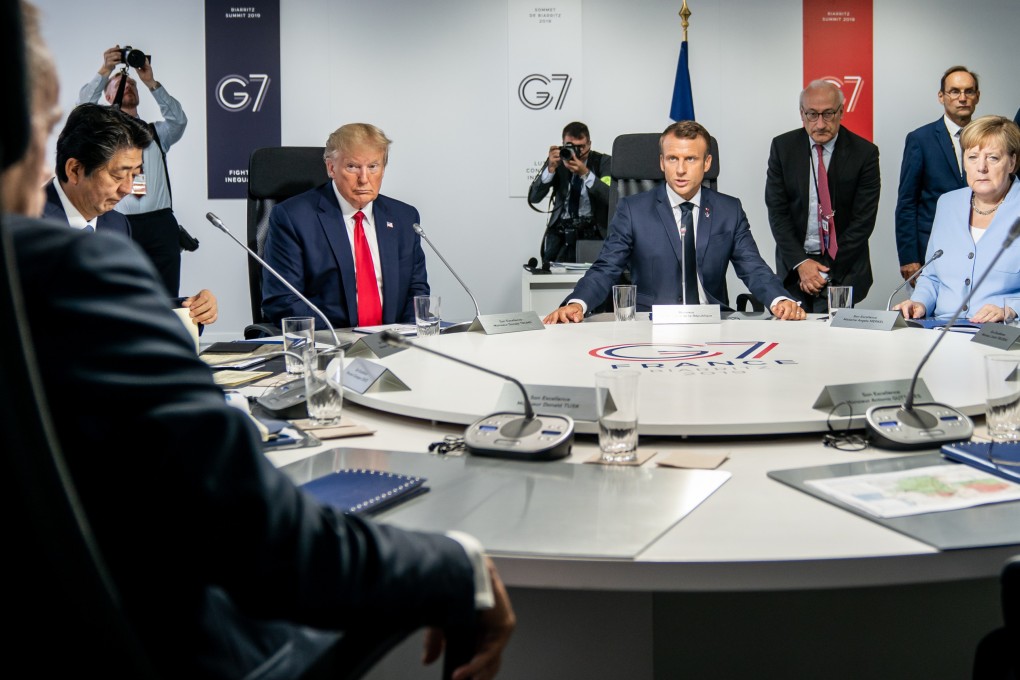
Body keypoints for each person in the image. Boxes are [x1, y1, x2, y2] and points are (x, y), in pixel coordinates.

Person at [2, 3, 514, 677]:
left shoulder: (400, 221)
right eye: (42, 130)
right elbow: (260, 538)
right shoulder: (65, 273)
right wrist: (459, 565)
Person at [544, 120, 805, 323]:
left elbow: (753, 267)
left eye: (690, 159)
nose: (680, 170)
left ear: (707, 163)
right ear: (662, 162)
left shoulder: (729, 210)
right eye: (672, 159)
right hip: (651, 324)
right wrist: (576, 303)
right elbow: (606, 268)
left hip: (713, 325)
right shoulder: (632, 210)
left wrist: (779, 299)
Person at [42, 103, 218, 326]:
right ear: (75, 170)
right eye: (118, 176)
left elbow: (128, 306)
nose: (127, 188)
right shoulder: (20, 226)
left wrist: (192, 310)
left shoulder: (117, 224)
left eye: (135, 175)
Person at [262, 122, 429, 329]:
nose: (364, 179)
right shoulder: (293, 218)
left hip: (393, 343)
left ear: (383, 169)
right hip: (330, 345)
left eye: (373, 167)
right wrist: (341, 339)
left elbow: (416, 290)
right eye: (353, 167)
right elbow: (283, 299)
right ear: (331, 168)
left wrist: (407, 337)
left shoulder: (404, 217)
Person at [78, 44, 189, 295]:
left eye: (131, 85)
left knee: (166, 294)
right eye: (120, 85)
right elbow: (82, 110)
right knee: (118, 293)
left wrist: (150, 82)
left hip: (160, 224)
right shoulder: (101, 134)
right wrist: (106, 70)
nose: (127, 86)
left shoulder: (157, 133)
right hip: (117, 222)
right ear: (108, 97)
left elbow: (179, 121)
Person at [765, 80, 881, 313]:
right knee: (794, 339)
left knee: (837, 341)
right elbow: (778, 213)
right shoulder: (783, 147)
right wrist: (802, 264)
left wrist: (824, 271)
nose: (820, 124)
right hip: (795, 269)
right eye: (812, 114)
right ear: (801, 113)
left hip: (843, 269)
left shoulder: (864, 153)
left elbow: (863, 221)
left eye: (828, 114)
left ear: (841, 112)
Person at [893, 116, 1020, 322]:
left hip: (1001, 335)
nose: (981, 167)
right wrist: (920, 302)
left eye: (993, 158)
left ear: (1012, 162)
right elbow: (932, 276)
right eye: (972, 157)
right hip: (941, 329)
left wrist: (1010, 309)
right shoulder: (947, 204)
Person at [895, 66, 981, 283]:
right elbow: (907, 202)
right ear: (941, 96)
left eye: (969, 91)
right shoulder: (920, 139)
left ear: (977, 97)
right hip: (932, 251)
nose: (962, 98)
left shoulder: (989, 140)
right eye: (954, 91)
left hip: (979, 249)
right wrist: (909, 257)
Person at [528, 121, 612, 265]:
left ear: (590, 144)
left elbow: (609, 196)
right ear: (563, 144)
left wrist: (585, 173)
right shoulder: (558, 161)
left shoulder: (603, 162)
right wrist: (550, 169)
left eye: (581, 146)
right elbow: (534, 198)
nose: (577, 151)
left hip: (593, 236)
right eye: (571, 146)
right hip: (561, 237)